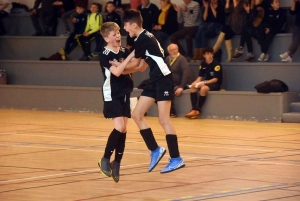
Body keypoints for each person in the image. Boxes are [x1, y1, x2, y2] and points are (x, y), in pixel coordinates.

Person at [112, 9, 185, 173]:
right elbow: (140, 67)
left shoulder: (143, 38)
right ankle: (155, 150)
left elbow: (136, 64)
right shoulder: (143, 38)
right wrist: (120, 70)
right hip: (154, 80)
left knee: (164, 119)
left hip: (164, 80)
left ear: (135, 24)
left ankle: (176, 158)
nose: (124, 28)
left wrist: (118, 67)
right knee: (137, 114)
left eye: (126, 24)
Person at [97, 22, 140, 183]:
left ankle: (117, 163)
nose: (117, 36)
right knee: (119, 127)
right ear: (106, 37)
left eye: (118, 33)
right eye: (114, 34)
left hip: (125, 92)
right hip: (112, 93)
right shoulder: (105, 54)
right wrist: (126, 62)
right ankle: (105, 158)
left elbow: (135, 67)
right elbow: (116, 72)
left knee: (124, 130)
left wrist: (126, 65)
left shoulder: (123, 50)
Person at [185, 47, 222, 119]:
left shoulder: (216, 64)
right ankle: (194, 109)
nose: (209, 55)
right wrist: (194, 83)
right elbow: (200, 77)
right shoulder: (203, 63)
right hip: (206, 82)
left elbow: (215, 79)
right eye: (207, 54)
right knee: (193, 88)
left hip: (215, 84)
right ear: (204, 55)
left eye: (211, 54)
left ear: (213, 55)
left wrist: (205, 83)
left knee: (203, 88)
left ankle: (198, 109)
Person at [165, 43, 194, 117]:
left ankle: (172, 112)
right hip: (169, 82)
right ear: (169, 51)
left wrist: (181, 86)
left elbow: (186, 73)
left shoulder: (182, 59)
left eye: (176, 49)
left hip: (179, 83)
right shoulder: (167, 59)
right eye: (172, 50)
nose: (174, 51)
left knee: (169, 90)